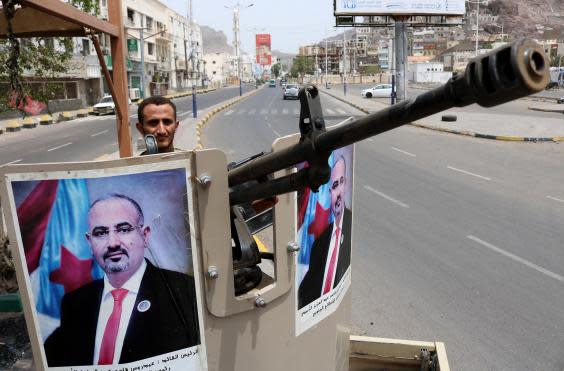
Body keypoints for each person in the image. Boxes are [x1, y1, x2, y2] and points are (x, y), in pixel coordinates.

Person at [44, 194, 199, 366]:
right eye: (101, 233)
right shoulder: (75, 303)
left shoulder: (185, 291)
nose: (112, 243)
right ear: (89, 242)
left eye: (124, 229)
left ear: (145, 235)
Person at [298, 155, 352, 309]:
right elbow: (306, 290)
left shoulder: (349, 225)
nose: (339, 192)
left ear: (346, 185)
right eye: (335, 185)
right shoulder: (320, 243)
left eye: (341, 183)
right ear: (330, 192)